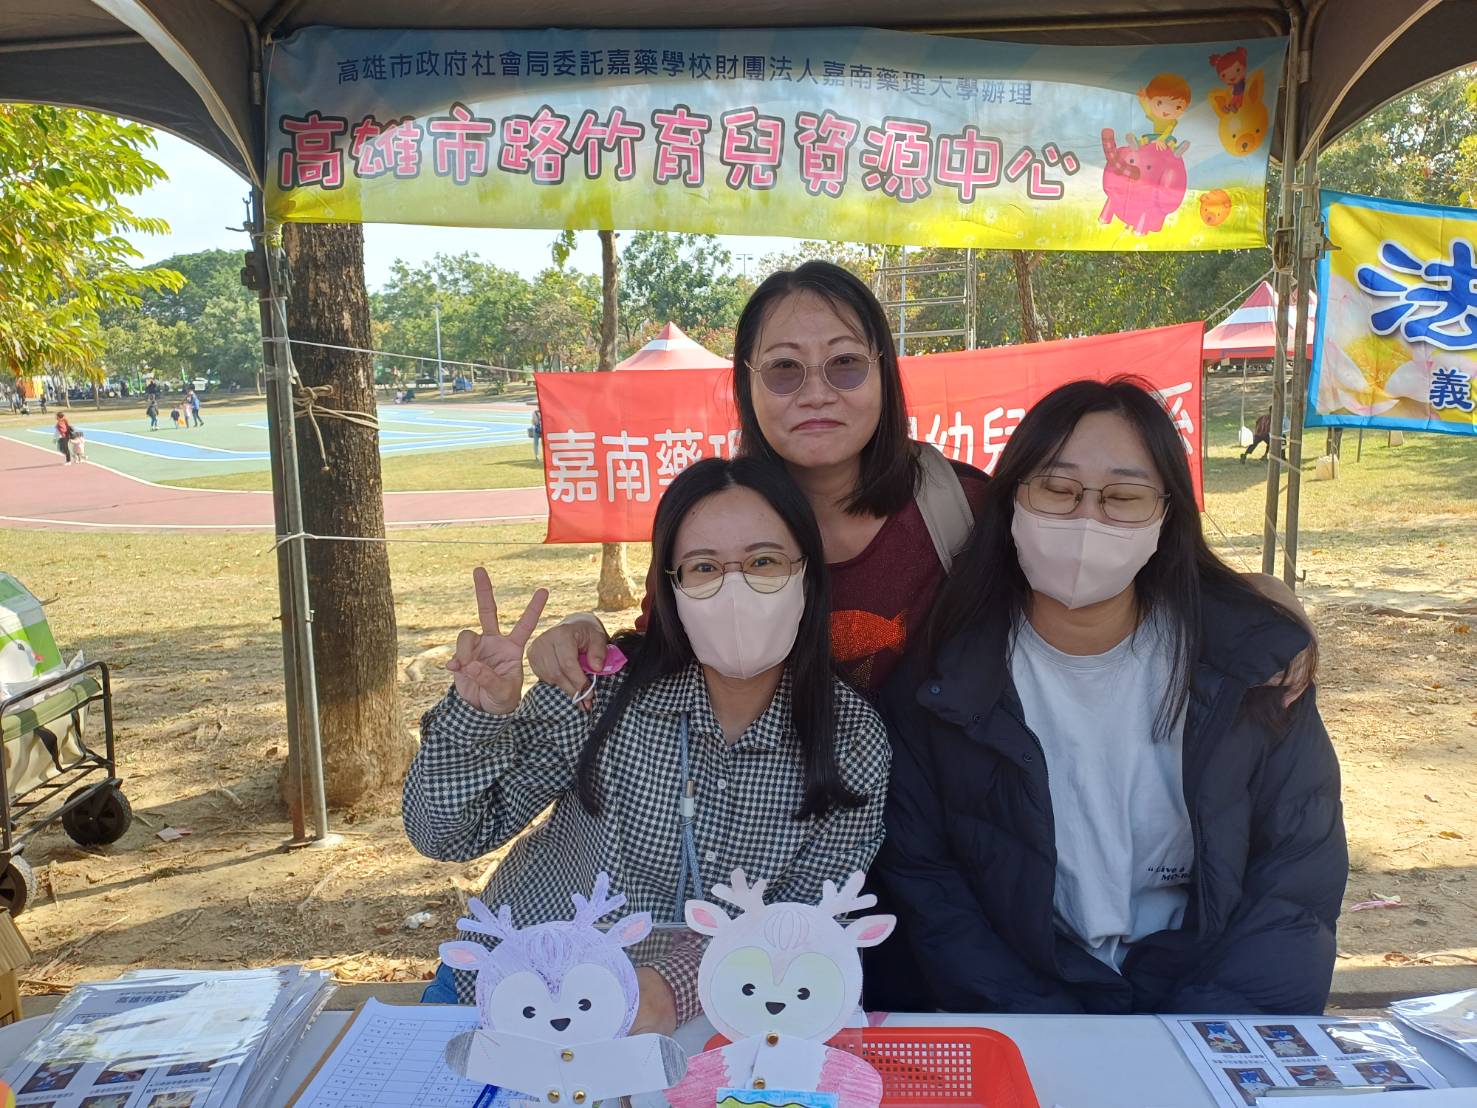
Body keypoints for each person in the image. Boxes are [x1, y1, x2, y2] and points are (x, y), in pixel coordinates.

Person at [528, 262, 1313, 701]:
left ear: (883, 374)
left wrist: (1258, 601)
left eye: (844, 363)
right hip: (775, 849)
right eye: (784, 369)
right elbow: (663, 652)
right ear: (747, 384)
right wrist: (582, 637)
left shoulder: (961, 507)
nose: (815, 392)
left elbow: (1108, 582)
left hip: (951, 845)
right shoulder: (719, 523)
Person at [873, 378, 1345, 1016]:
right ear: (1010, 502)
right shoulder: (938, 690)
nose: (1087, 519)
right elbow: (937, 902)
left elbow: (1294, 885)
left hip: (1203, 1007)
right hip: (1031, 1015)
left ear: (1166, 516)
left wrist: (1204, 1036)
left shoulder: (1254, 672)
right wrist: (1061, 1039)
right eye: (1057, 489)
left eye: (1123, 497)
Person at [404, 455, 891, 1034]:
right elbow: (446, 835)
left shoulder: (852, 741)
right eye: (704, 567)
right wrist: (478, 719)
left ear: (806, 574)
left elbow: (802, 920)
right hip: (511, 992)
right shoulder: (600, 692)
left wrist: (663, 990)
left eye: (763, 561)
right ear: (672, 588)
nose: (735, 588)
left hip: (718, 1023)